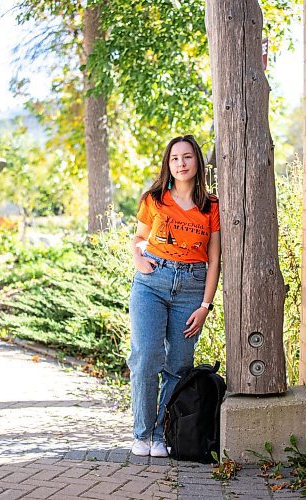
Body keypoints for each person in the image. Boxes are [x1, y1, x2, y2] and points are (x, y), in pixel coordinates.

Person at [128, 134, 221, 458]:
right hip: (151, 283)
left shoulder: (211, 206)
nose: (181, 164)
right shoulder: (154, 198)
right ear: (168, 164)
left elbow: (214, 259)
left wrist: (205, 306)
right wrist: (139, 259)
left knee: (179, 366)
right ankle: (142, 433)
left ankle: (160, 433)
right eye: (174, 158)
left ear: (197, 161)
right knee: (145, 358)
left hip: (192, 289)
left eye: (187, 157)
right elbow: (139, 238)